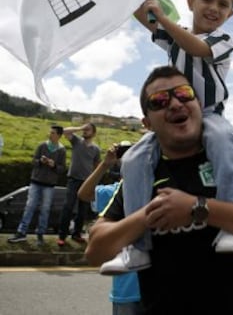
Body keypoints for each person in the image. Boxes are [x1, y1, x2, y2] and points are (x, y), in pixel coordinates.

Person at [85, 65, 233, 314]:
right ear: (147, 123)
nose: (174, 104)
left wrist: (197, 207)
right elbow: (95, 251)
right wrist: (149, 214)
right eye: (159, 101)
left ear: (199, 105)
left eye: (183, 93)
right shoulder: (140, 173)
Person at [107, 0, 233, 274]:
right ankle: (138, 246)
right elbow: (147, 19)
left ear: (230, 14)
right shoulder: (174, 37)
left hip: (209, 114)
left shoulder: (223, 39)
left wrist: (164, 20)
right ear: (190, 2)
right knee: (133, 159)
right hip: (174, 118)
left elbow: (197, 48)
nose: (214, 8)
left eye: (222, 5)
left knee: (224, 143)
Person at [78, 142, 141, 315]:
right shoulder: (116, 192)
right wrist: (105, 164)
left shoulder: (157, 186)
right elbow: (84, 194)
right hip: (126, 289)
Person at [8, 125, 66, 246]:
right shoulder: (42, 145)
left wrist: (53, 165)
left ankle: (40, 234)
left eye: (53, 133)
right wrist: (40, 161)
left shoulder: (62, 150)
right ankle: (21, 232)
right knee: (29, 207)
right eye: (50, 132)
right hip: (36, 182)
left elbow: (62, 169)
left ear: (59, 136)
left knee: (45, 210)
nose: (50, 135)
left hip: (49, 185)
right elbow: (33, 161)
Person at [57, 122, 100, 246]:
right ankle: (62, 236)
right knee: (68, 207)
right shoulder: (77, 141)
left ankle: (76, 234)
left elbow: (97, 166)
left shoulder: (96, 149)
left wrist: (94, 182)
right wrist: (80, 127)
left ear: (94, 133)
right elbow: (65, 131)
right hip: (73, 180)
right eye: (85, 129)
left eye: (89, 129)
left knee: (82, 211)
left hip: (86, 182)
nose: (85, 131)